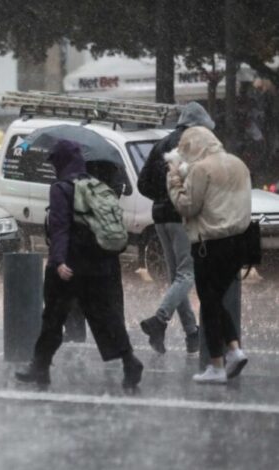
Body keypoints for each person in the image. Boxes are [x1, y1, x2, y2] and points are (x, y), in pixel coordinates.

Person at [15, 140, 143, 390]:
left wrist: (59, 261)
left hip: (71, 266)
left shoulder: (62, 188)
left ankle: (39, 367)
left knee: (52, 316)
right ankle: (130, 361)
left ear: (61, 162)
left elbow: (60, 228)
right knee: (106, 316)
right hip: (99, 264)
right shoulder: (95, 185)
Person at [167, 126, 251, 384]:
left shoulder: (202, 169)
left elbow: (187, 206)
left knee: (209, 302)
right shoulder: (238, 164)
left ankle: (217, 364)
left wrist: (174, 180)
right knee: (215, 300)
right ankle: (234, 350)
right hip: (240, 242)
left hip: (210, 244)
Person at [136, 102, 215, 354]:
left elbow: (142, 183)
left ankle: (192, 334)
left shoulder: (162, 143)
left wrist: (162, 197)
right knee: (186, 273)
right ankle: (159, 320)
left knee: (176, 276)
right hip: (182, 215)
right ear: (198, 125)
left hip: (160, 217)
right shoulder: (195, 143)